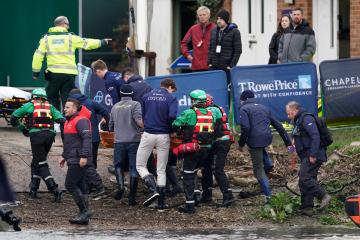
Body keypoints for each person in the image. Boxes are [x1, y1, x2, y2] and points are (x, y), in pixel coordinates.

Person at [32, 16, 111, 110]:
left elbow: (38, 56)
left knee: (52, 99)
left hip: (53, 75)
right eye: (68, 24)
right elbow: (87, 43)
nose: (68, 27)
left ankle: (56, 122)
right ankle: (67, 123)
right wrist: (102, 42)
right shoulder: (71, 38)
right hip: (69, 75)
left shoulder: (46, 39)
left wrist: (36, 73)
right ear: (63, 24)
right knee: (68, 101)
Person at [237, 90, 292, 203]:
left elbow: (246, 128)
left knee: (258, 169)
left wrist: (241, 144)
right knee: (262, 155)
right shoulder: (264, 108)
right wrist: (289, 144)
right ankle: (268, 164)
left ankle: (269, 197)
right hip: (266, 138)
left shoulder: (244, 109)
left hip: (254, 141)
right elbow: (279, 126)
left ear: (244, 99)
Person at [172, 90, 222, 214]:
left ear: (193, 100)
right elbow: (217, 129)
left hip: (192, 149)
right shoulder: (212, 114)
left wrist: (178, 132)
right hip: (207, 149)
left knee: (188, 174)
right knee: (197, 171)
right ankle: (197, 195)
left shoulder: (189, 113)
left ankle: (190, 205)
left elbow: (175, 124)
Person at [10, 89, 64, 202]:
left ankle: (54, 189)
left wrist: (23, 129)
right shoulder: (50, 107)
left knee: (40, 163)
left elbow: (14, 117)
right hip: (50, 136)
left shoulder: (29, 105)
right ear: (44, 97)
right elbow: (60, 119)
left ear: (33, 97)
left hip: (36, 135)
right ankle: (33, 189)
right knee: (37, 161)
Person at [136, 78, 178, 209]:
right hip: (163, 135)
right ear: (170, 87)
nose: (172, 92)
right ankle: (161, 203)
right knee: (161, 169)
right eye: (173, 90)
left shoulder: (146, 96)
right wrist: (171, 130)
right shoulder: (171, 99)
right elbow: (172, 116)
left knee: (140, 165)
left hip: (148, 133)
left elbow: (143, 115)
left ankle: (153, 190)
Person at [285, 101, 331, 216]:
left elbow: (315, 136)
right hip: (306, 155)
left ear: (295, 110)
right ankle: (307, 208)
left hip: (313, 155)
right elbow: (294, 142)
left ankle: (323, 195)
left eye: (289, 113)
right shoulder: (297, 122)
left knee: (304, 178)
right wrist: (291, 153)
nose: (288, 116)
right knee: (304, 180)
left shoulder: (306, 119)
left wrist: (313, 154)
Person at [68, 88, 109, 196]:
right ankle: (91, 187)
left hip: (78, 139)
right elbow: (106, 112)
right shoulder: (91, 102)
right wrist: (108, 125)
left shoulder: (72, 106)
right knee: (91, 162)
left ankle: (90, 187)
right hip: (94, 138)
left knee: (83, 163)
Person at [109, 84, 143, 205]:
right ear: (132, 94)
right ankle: (132, 198)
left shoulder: (115, 106)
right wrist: (145, 129)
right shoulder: (135, 104)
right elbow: (139, 120)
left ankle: (121, 187)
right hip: (134, 141)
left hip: (119, 142)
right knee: (134, 167)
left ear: (121, 94)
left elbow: (110, 126)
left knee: (118, 165)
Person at [60, 98, 92, 225]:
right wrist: (64, 155)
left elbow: (87, 139)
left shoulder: (81, 120)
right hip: (73, 157)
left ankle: (85, 211)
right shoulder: (68, 122)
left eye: (68, 107)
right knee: (81, 186)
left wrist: (84, 156)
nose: (65, 109)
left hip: (79, 159)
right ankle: (84, 216)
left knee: (70, 184)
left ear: (74, 109)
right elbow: (70, 142)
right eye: (65, 107)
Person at [201, 94, 235, 207]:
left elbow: (211, 128)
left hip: (221, 142)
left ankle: (228, 196)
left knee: (217, 169)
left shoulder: (212, 110)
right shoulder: (214, 108)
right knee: (206, 168)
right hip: (215, 142)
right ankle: (207, 195)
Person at [208, 9, 242, 84]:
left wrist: (231, 65)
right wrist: (209, 63)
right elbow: (210, 48)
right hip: (213, 67)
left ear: (226, 19)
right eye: (218, 19)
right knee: (214, 88)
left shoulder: (235, 32)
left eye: (221, 19)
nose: (219, 21)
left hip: (226, 68)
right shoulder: (213, 31)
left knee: (226, 90)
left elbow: (238, 50)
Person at [180, 6, 216, 71]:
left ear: (209, 15)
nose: (202, 17)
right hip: (196, 67)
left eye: (204, 15)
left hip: (211, 67)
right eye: (200, 15)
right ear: (198, 16)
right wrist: (187, 55)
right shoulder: (193, 29)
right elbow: (183, 43)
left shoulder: (215, 28)